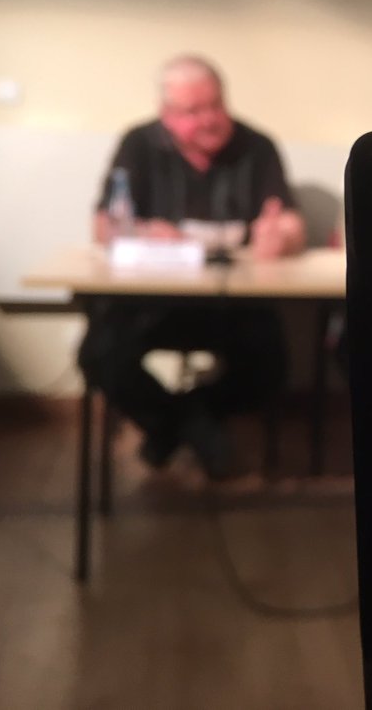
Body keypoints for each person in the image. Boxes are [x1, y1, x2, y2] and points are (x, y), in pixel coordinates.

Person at [78, 55, 307, 478]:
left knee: (271, 364)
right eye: (192, 111)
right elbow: (103, 226)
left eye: (215, 105)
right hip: (152, 303)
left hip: (234, 305)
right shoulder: (138, 144)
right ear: (166, 115)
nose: (209, 120)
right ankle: (195, 430)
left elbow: (290, 222)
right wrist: (143, 231)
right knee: (99, 354)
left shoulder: (258, 146)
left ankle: (177, 426)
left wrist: (282, 237)